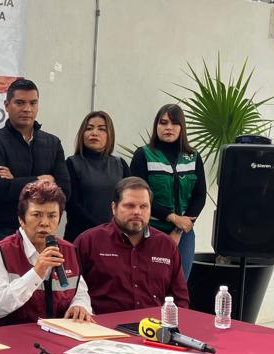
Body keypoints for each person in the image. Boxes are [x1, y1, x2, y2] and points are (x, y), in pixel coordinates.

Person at [0, 180, 93, 325]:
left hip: (58, 331)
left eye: (52, 216)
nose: (45, 223)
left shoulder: (69, 251)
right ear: (21, 219)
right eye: (37, 215)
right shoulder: (1, 252)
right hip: (12, 333)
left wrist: (79, 305)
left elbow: (80, 292)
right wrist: (36, 273)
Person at [75, 176, 189, 315]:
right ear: (114, 207)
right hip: (102, 325)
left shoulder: (166, 245)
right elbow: (72, 293)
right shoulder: (88, 242)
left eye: (143, 206)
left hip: (154, 326)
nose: (137, 212)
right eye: (129, 206)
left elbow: (180, 299)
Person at [0, 78, 71, 247]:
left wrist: (15, 181)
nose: (27, 109)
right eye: (20, 103)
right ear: (7, 105)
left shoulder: (53, 143)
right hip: (5, 231)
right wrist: (41, 180)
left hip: (44, 230)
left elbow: (65, 190)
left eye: (33, 103)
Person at [129, 104, 207, 280]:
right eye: (163, 123)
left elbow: (199, 196)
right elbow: (139, 197)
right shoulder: (143, 155)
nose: (169, 127)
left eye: (174, 123)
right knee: (150, 283)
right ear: (156, 126)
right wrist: (172, 217)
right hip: (150, 230)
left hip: (184, 233)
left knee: (180, 283)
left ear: (182, 127)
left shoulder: (193, 157)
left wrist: (179, 229)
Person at [64, 110, 130, 241]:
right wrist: (102, 230)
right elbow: (71, 204)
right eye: (89, 128)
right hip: (80, 236)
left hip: (116, 238)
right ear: (82, 133)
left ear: (109, 135)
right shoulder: (71, 163)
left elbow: (130, 200)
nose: (94, 133)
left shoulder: (120, 164)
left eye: (101, 129)